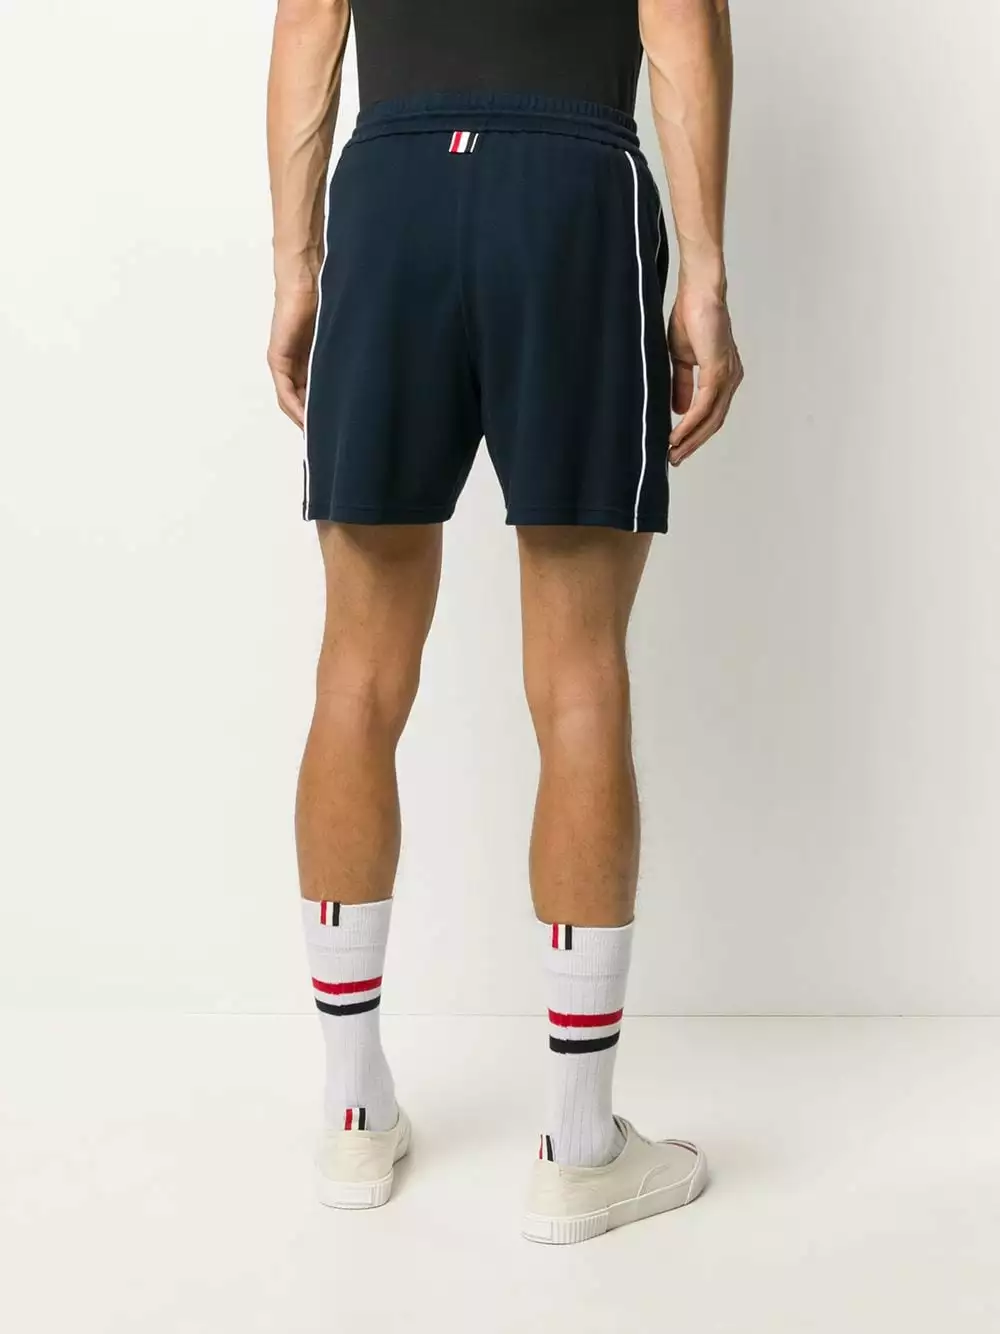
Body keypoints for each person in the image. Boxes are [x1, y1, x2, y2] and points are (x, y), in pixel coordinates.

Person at [266, 0, 742, 1244]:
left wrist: (298, 264)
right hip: (567, 187)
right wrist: (703, 271)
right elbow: (679, 24)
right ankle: (579, 1149)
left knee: (356, 673)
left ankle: (352, 1113)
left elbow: (310, 20)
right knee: (578, 675)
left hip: (392, 191)